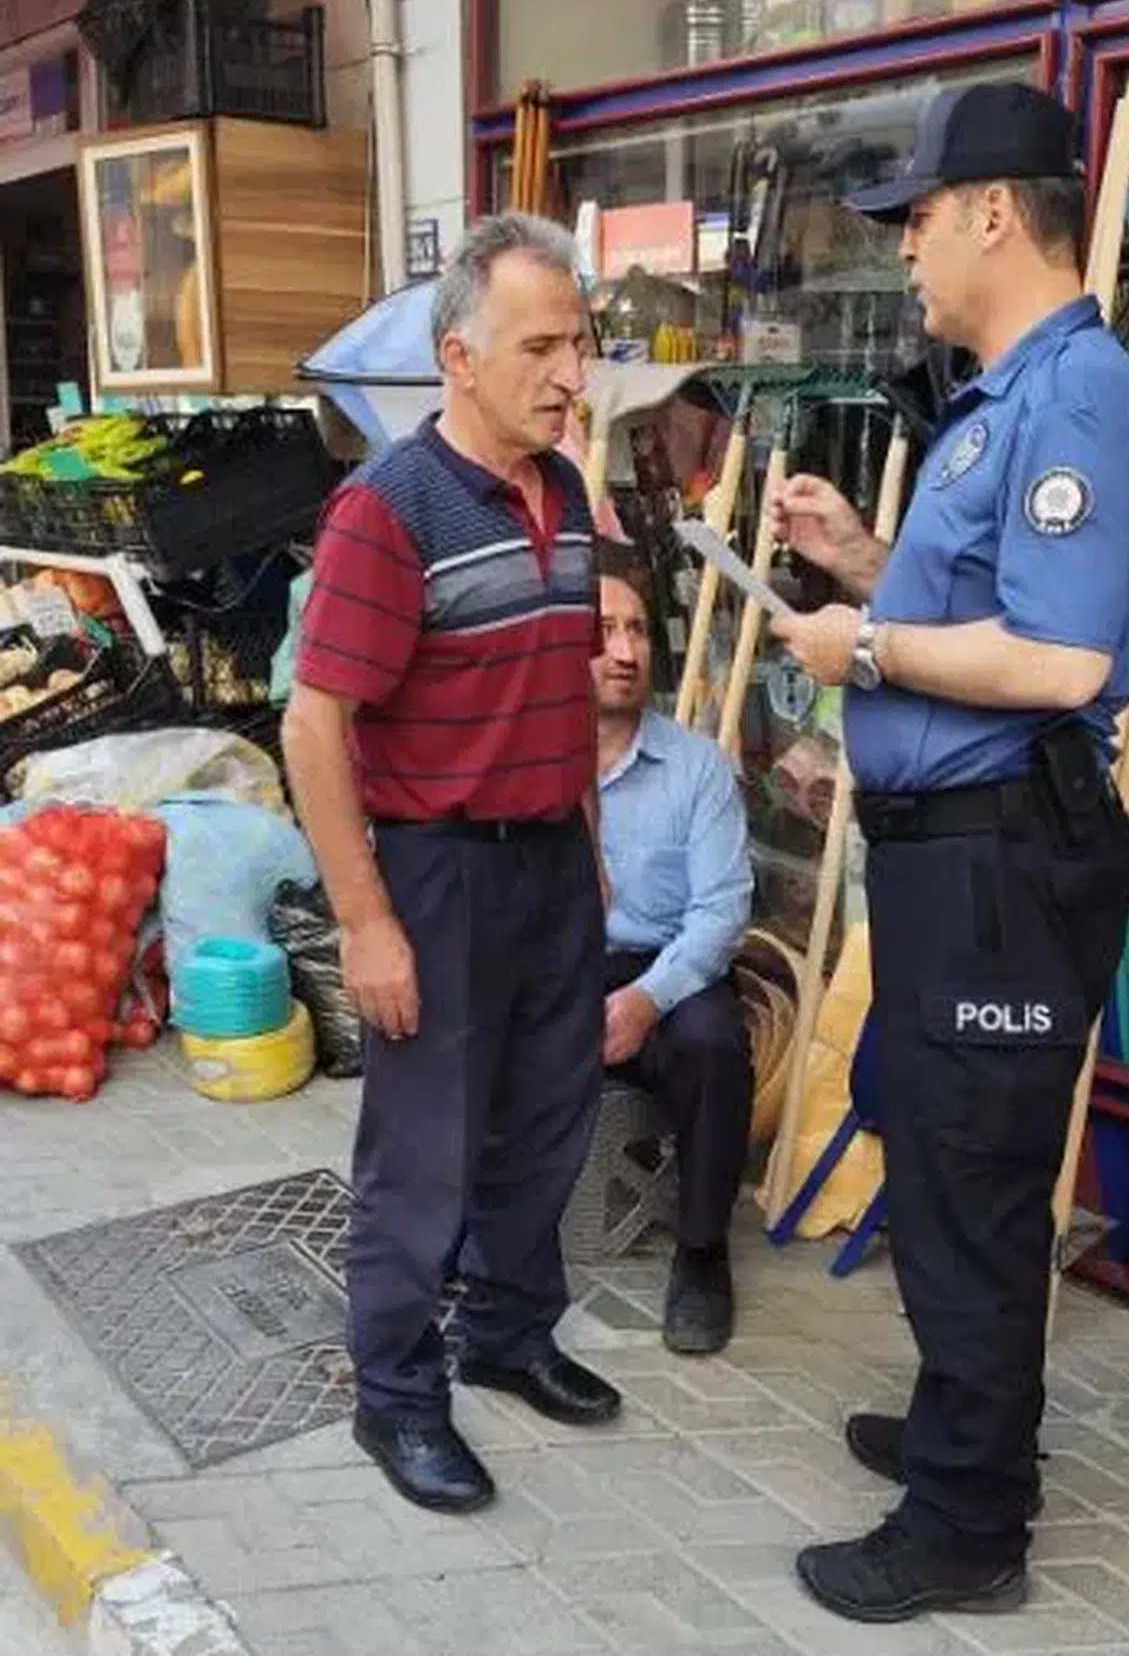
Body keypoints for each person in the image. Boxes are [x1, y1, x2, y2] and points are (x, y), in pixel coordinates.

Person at [766, 82, 1129, 1625]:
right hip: (960, 861)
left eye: (920, 220)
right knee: (934, 1148)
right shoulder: (1005, 391)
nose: (909, 253)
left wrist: (859, 647)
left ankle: (967, 1526)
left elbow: (1062, 663)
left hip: (1004, 862)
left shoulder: (1071, 399)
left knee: (977, 1183)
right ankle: (962, 1430)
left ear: (997, 211)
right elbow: (990, 608)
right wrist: (862, 567)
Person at [282, 213, 621, 1519]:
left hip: (547, 862)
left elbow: (567, 691)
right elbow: (315, 726)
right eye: (540, 345)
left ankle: (511, 1330)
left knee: (549, 1119)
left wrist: (586, 852)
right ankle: (399, 1395)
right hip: (434, 872)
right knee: (422, 1150)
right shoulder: (388, 510)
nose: (569, 372)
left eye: (578, 343)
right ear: (458, 357)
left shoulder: (571, 492)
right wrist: (365, 921)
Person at [592, 555, 755, 1354]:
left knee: (713, 1042)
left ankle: (701, 1250)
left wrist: (647, 998)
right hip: (562, 965)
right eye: (602, 633)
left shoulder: (696, 768)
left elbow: (722, 912)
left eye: (636, 631)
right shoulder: (531, 761)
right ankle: (465, 1228)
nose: (626, 652)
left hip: (666, 969)